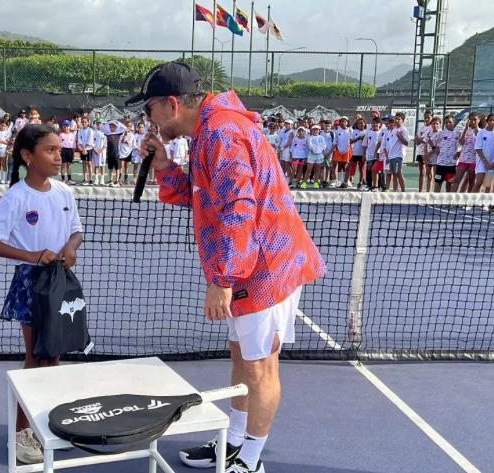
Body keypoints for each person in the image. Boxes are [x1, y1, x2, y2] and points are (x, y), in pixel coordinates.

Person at [130, 61, 325, 473]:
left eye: (148, 109)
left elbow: (239, 209)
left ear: (170, 104)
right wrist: (165, 168)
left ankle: (250, 462)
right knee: (243, 362)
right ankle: (233, 445)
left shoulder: (222, 132)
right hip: (249, 267)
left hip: (262, 270)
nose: (147, 118)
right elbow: (206, 197)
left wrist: (223, 279)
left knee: (259, 367)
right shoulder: (209, 131)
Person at [0, 124, 83, 465]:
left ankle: (48, 426)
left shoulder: (65, 192)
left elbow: (76, 232)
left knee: (54, 356)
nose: (59, 155)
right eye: (50, 150)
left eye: (59, 149)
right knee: (36, 357)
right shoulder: (16, 196)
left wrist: (70, 247)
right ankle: (21, 434)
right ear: (27, 156)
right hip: (31, 282)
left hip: (60, 282)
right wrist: (33, 256)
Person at [471, 113, 494, 195]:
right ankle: (470, 202)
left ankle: (485, 204)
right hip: (482, 162)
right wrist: (485, 162)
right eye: (490, 120)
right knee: (479, 182)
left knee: (488, 184)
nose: (492, 122)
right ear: (487, 121)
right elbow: (478, 148)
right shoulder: (481, 133)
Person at [431, 115, 461, 193]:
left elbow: (465, 143)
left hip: (452, 163)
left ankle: (448, 201)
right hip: (441, 163)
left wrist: (459, 152)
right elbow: (430, 140)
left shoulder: (458, 133)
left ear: (454, 122)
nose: (448, 124)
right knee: (438, 182)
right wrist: (434, 148)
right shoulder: (441, 133)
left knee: (450, 183)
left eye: (450, 122)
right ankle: (435, 200)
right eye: (446, 122)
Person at [383, 113, 409, 192]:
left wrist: (399, 136)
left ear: (403, 121)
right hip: (391, 156)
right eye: (396, 119)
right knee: (394, 174)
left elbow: (406, 143)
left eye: (399, 119)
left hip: (398, 156)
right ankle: (395, 191)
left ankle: (403, 191)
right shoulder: (393, 130)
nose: (397, 121)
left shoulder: (404, 130)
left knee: (398, 173)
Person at [454, 114, 479, 193]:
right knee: (456, 180)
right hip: (463, 159)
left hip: (474, 160)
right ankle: (451, 200)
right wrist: (466, 129)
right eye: (471, 120)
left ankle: (469, 201)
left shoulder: (481, 132)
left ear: (479, 120)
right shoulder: (466, 131)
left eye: (475, 119)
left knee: (471, 181)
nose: (473, 121)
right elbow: (461, 142)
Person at [346, 117, 367, 189]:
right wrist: (358, 138)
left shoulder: (367, 132)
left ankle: (360, 183)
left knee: (361, 169)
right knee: (348, 168)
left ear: (364, 123)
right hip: (355, 153)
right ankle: (345, 182)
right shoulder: (355, 132)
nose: (360, 124)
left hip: (362, 153)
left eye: (361, 123)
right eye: (358, 123)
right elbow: (350, 142)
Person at [416, 110, 434, 192]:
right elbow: (418, 140)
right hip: (420, 152)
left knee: (429, 174)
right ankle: (420, 191)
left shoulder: (433, 127)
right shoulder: (422, 127)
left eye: (428, 117)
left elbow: (430, 141)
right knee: (422, 173)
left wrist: (422, 140)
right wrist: (419, 140)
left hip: (429, 153)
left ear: (432, 117)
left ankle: (429, 192)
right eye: (425, 117)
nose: (426, 119)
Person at [362, 117, 382, 192]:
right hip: (369, 154)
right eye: (373, 123)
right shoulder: (368, 133)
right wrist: (364, 155)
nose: (375, 124)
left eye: (377, 123)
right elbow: (364, 145)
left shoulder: (382, 133)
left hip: (379, 155)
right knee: (369, 170)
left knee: (378, 171)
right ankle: (369, 185)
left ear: (380, 124)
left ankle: (378, 186)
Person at [77, 117, 95, 186]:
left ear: (88, 123)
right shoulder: (80, 130)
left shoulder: (90, 130)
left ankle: (91, 179)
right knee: (84, 164)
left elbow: (90, 140)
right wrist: (83, 149)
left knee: (90, 164)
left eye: (85, 122)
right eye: (83, 122)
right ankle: (85, 179)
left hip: (89, 149)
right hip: (82, 149)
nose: (84, 123)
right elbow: (79, 140)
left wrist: (85, 148)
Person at [91, 119, 107, 186]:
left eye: (100, 123)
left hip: (102, 152)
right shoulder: (93, 132)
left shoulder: (105, 133)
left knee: (102, 166)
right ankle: (96, 179)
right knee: (96, 165)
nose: (99, 125)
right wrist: (95, 150)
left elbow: (105, 144)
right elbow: (92, 143)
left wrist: (100, 150)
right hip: (95, 151)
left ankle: (102, 180)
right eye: (97, 123)